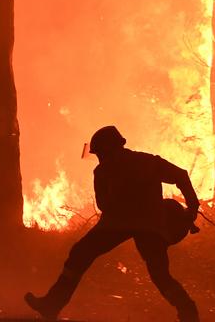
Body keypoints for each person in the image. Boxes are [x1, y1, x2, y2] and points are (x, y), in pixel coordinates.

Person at [25, 125, 200, 322]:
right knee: (159, 274)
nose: (99, 158)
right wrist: (192, 207)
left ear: (109, 150)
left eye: (100, 153)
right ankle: (188, 311)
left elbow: (104, 205)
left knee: (80, 254)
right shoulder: (146, 162)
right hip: (144, 224)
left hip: (121, 224)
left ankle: (51, 304)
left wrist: (192, 208)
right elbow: (181, 176)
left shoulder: (106, 171)